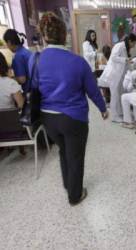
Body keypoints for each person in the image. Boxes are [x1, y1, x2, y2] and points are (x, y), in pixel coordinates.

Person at [32, 12, 108, 206]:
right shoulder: (77, 62)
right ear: (65, 35)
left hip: (48, 119)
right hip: (74, 119)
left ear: (43, 36)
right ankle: (75, 195)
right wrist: (102, 108)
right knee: (75, 156)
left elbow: (33, 88)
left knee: (63, 150)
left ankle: (68, 184)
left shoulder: (37, 60)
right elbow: (92, 90)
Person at [98, 33, 136, 123]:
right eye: (134, 43)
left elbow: (126, 64)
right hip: (113, 74)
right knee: (115, 95)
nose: (134, 45)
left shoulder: (126, 49)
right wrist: (125, 60)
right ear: (130, 41)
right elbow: (114, 58)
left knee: (119, 93)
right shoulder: (119, 45)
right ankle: (114, 116)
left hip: (119, 76)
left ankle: (120, 112)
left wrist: (132, 69)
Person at [3, 29, 32, 93]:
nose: (7, 46)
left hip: (29, 91)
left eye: (6, 44)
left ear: (9, 42)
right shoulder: (26, 51)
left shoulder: (18, 56)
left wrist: (9, 78)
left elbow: (22, 80)